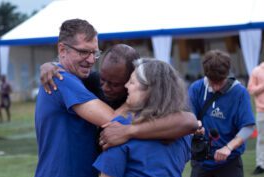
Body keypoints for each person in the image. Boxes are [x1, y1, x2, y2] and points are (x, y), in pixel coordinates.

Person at [40, 44, 198, 150]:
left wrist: (129, 131)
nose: (105, 87)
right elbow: (67, 74)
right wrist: (49, 66)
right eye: (103, 79)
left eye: (115, 84)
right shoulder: (94, 80)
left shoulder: (147, 94)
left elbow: (189, 121)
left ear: (132, 78)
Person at [33, 18, 116, 177]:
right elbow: (113, 119)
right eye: (84, 52)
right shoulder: (62, 79)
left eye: (94, 53)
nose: (90, 60)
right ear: (62, 50)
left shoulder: (68, 76)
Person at [93, 58, 191, 177]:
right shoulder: (181, 130)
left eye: (132, 82)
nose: (126, 86)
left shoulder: (120, 129)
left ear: (149, 90)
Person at [188, 49, 255, 177]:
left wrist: (228, 147)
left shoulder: (239, 92)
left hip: (229, 161)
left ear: (227, 73)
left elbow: (248, 126)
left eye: (220, 82)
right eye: (213, 83)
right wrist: (194, 126)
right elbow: (188, 116)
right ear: (206, 75)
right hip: (201, 160)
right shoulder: (196, 88)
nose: (217, 87)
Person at [248, 61, 264, 175]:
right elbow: (251, 90)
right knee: (262, 139)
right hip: (261, 111)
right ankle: (261, 164)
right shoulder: (257, 70)